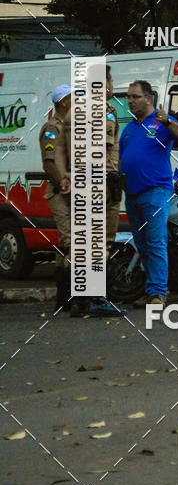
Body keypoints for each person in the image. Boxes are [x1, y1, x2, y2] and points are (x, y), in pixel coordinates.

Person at [56, 65, 127, 317]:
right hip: (99, 183)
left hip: (81, 184)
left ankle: (78, 300)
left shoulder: (71, 111)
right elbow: (101, 152)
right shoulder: (102, 111)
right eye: (111, 80)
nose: (112, 86)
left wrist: (67, 175)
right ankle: (96, 298)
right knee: (101, 242)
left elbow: (61, 150)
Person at [119, 79, 178, 307]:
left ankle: (159, 293)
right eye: (128, 97)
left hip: (156, 192)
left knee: (156, 242)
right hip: (132, 194)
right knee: (142, 244)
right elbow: (121, 158)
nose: (130, 101)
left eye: (135, 96)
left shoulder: (161, 123)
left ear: (148, 98)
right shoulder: (129, 128)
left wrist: (168, 120)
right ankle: (151, 291)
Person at [39, 84, 72, 314]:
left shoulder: (69, 126)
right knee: (71, 242)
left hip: (70, 190)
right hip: (60, 192)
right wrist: (63, 183)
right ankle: (71, 296)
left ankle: (63, 298)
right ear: (64, 103)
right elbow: (49, 163)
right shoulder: (52, 128)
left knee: (64, 245)